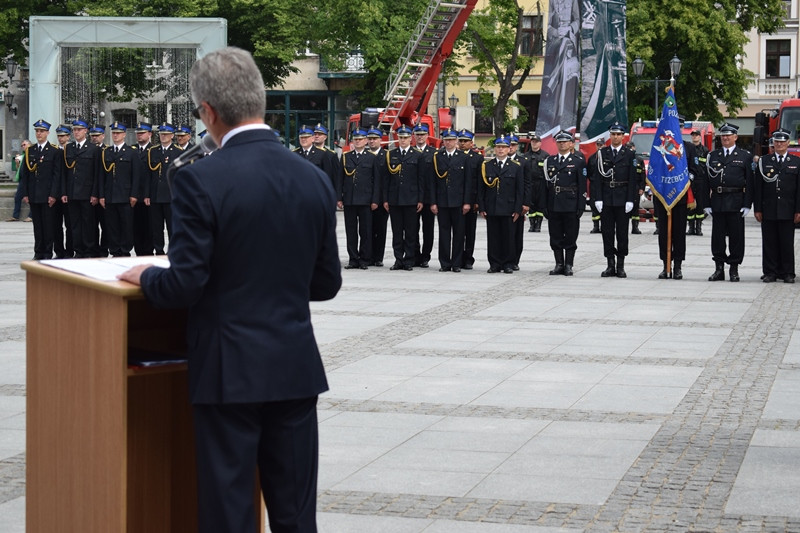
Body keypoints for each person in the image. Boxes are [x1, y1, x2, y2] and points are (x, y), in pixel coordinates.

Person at [118, 47, 342, 533]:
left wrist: (146, 276)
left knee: (229, 511)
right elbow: (325, 284)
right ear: (259, 100)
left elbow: (184, 284)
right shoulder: (314, 178)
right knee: (296, 514)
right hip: (295, 367)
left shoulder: (201, 179)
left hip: (229, 370)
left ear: (209, 112)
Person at [705, 123, 753, 282]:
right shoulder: (713, 155)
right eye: (723, 135)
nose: (725, 138)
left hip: (736, 201)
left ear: (735, 137)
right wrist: (706, 203)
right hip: (717, 201)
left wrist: (747, 204)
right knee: (717, 237)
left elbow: (750, 183)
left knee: (736, 237)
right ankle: (719, 268)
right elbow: (706, 182)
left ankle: (734, 268)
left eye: (728, 135)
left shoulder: (745, 156)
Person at [588, 122, 637, 278]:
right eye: (613, 134)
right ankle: (610, 264)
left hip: (623, 198)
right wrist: (598, 199)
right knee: (607, 233)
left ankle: (621, 265)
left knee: (622, 233)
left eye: (618, 134)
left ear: (623, 136)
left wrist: (631, 199)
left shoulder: (629, 154)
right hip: (607, 197)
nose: (615, 137)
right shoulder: (602, 153)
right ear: (610, 135)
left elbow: (633, 179)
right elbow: (596, 178)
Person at [753, 128, 800, 283]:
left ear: (788, 143)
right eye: (776, 142)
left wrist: (798, 209)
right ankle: (770, 272)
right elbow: (758, 187)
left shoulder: (796, 162)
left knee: (787, 242)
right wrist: (758, 208)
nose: (779, 144)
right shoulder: (764, 161)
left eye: (782, 141)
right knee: (769, 242)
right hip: (769, 208)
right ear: (773, 144)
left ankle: (787, 272)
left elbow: (799, 189)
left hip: (788, 208)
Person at [478, 135, 524, 273]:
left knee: (508, 237)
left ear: (509, 149)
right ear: (495, 148)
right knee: (493, 237)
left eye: (504, 147)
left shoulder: (516, 167)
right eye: (498, 147)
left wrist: (518, 209)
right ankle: (494, 263)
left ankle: (508, 263)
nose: (501, 150)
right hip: (492, 207)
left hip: (508, 208)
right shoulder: (487, 166)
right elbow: (481, 189)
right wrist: (482, 207)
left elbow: (519, 190)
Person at [544, 130, 586, 275]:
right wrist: (545, 205)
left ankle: (568, 264)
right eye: (559, 142)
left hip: (570, 202)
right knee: (555, 235)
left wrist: (581, 205)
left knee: (570, 236)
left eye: (565, 142)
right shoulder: (550, 161)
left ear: (571, 144)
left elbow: (582, 185)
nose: (562, 144)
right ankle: (558, 264)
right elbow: (546, 185)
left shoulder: (578, 161)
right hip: (554, 202)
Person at [336, 128, 380, 269]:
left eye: (360, 139)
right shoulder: (346, 156)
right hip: (350, 199)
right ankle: (353, 258)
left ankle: (364, 259)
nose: (358, 141)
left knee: (366, 231)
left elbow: (376, 181)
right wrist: (339, 198)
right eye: (355, 139)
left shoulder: (372, 157)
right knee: (351, 230)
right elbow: (340, 179)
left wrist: (375, 200)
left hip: (366, 200)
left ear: (366, 141)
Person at [430, 128, 473, 272]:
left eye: (451, 140)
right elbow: (433, 182)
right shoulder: (437, 156)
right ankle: (444, 263)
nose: (448, 142)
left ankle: (456, 263)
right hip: (442, 201)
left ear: (456, 141)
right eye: (446, 140)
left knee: (459, 233)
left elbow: (468, 181)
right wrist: (433, 202)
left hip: (458, 202)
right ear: (443, 141)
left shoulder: (464, 157)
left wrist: (467, 202)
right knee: (444, 233)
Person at [20, 119, 62, 260]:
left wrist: (53, 194)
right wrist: (25, 193)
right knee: (37, 226)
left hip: (47, 195)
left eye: (42, 131)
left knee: (48, 226)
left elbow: (57, 175)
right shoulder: (30, 151)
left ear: (47, 133)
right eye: (37, 131)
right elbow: (25, 174)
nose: (39, 134)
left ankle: (48, 252)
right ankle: (38, 252)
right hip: (34, 194)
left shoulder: (54, 151)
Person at [383, 125, 423, 270]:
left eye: (406, 137)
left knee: (411, 232)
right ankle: (398, 259)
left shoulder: (417, 155)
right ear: (397, 138)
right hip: (395, 199)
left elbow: (421, 179)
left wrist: (420, 199)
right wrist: (386, 199)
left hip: (411, 199)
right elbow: (386, 179)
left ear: (411, 138)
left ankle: (409, 260)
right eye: (401, 137)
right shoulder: (391, 154)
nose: (403, 140)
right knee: (397, 232)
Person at [100, 121, 143, 257]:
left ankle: (125, 250)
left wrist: (134, 194)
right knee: (111, 226)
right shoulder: (106, 152)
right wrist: (101, 195)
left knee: (126, 225)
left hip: (125, 195)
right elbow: (102, 176)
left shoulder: (131, 152)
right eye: (113, 133)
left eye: (118, 133)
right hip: (110, 195)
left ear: (124, 134)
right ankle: (114, 250)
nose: (116, 135)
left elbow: (136, 176)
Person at [61, 119, 102, 258]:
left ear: (86, 131)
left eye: (79, 129)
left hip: (87, 193)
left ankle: (89, 250)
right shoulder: (69, 148)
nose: (76, 132)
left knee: (88, 224)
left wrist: (95, 193)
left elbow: (97, 174)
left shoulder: (94, 149)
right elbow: (64, 173)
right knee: (74, 225)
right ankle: (78, 250)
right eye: (75, 130)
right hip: (72, 193)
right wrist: (64, 192)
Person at [145, 123, 182, 255]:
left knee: (172, 226)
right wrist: (147, 195)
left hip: (170, 195)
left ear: (172, 136)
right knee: (156, 227)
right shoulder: (153, 151)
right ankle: (159, 250)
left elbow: (181, 176)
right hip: (155, 195)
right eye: (161, 134)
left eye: (166, 134)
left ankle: (172, 250)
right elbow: (148, 175)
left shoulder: (178, 152)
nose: (163, 137)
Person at [458, 129, 483, 268]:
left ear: (471, 143)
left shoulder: (477, 158)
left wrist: (478, 201)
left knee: (469, 231)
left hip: (472, 200)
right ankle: (457, 256)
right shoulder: (454, 156)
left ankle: (468, 258)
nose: (462, 144)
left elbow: (479, 181)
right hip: (456, 200)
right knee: (458, 232)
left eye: (465, 141)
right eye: (460, 141)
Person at [412, 124, 436, 267]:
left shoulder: (434, 153)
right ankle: (415, 255)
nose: (420, 137)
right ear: (414, 136)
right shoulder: (410, 152)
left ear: (427, 136)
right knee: (412, 228)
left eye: (423, 134)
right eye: (418, 134)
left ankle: (425, 256)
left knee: (428, 228)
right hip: (413, 197)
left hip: (428, 197)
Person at [508, 135, 532, 270]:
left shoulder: (523, 162)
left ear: (517, 147)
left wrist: (526, 203)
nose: (510, 147)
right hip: (505, 202)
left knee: (517, 234)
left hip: (518, 202)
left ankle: (515, 260)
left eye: (513, 145)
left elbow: (528, 184)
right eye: (508, 145)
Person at [131, 122, 155, 255]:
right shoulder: (131, 150)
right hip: (133, 195)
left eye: (142, 133)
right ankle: (138, 251)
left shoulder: (154, 150)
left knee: (149, 226)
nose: (139, 135)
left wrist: (149, 194)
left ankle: (148, 251)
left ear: (150, 134)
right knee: (135, 226)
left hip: (148, 196)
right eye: (138, 133)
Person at [367, 127, 389, 266]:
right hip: (366, 198)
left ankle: (378, 257)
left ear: (380, 140)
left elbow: (388, 179)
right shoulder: (364, 154)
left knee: (380, 229)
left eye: (375, 139)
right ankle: (368, 255)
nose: (372, 141)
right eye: (370, 139)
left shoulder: (386, 155)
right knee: (367, 229)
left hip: (381, 199)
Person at [686, 128, 709, 236]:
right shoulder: (688, 149)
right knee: (690, 203)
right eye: (693, 135)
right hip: (690, 180)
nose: (694, 137)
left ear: (700, 137)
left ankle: (698, 227)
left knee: (699, 204)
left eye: (696, 135)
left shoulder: (705, 151)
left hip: (701, 180)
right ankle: (691, 227)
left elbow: (708, 167)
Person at [527, 132, 549, 233]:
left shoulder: (545, 156)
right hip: (530, 183)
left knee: (540, 204)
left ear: (540, 143)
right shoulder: (526, 156)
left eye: (536, 142)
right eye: (533, 142)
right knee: (531, 204)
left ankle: (538, 225)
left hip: (541, 183)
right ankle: (532, 225)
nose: (534, 144)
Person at [7, 139, 32, 222]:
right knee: (18, 197)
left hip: (29, 180)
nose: (22, 147)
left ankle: (31, 216)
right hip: (22, 180)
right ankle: (15, 216)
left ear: (29, 145)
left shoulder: (31, 154)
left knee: (31, 198)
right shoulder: (23, 155)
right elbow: (19, 169)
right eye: (22, 145)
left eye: (24, 145)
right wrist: (17, 163)